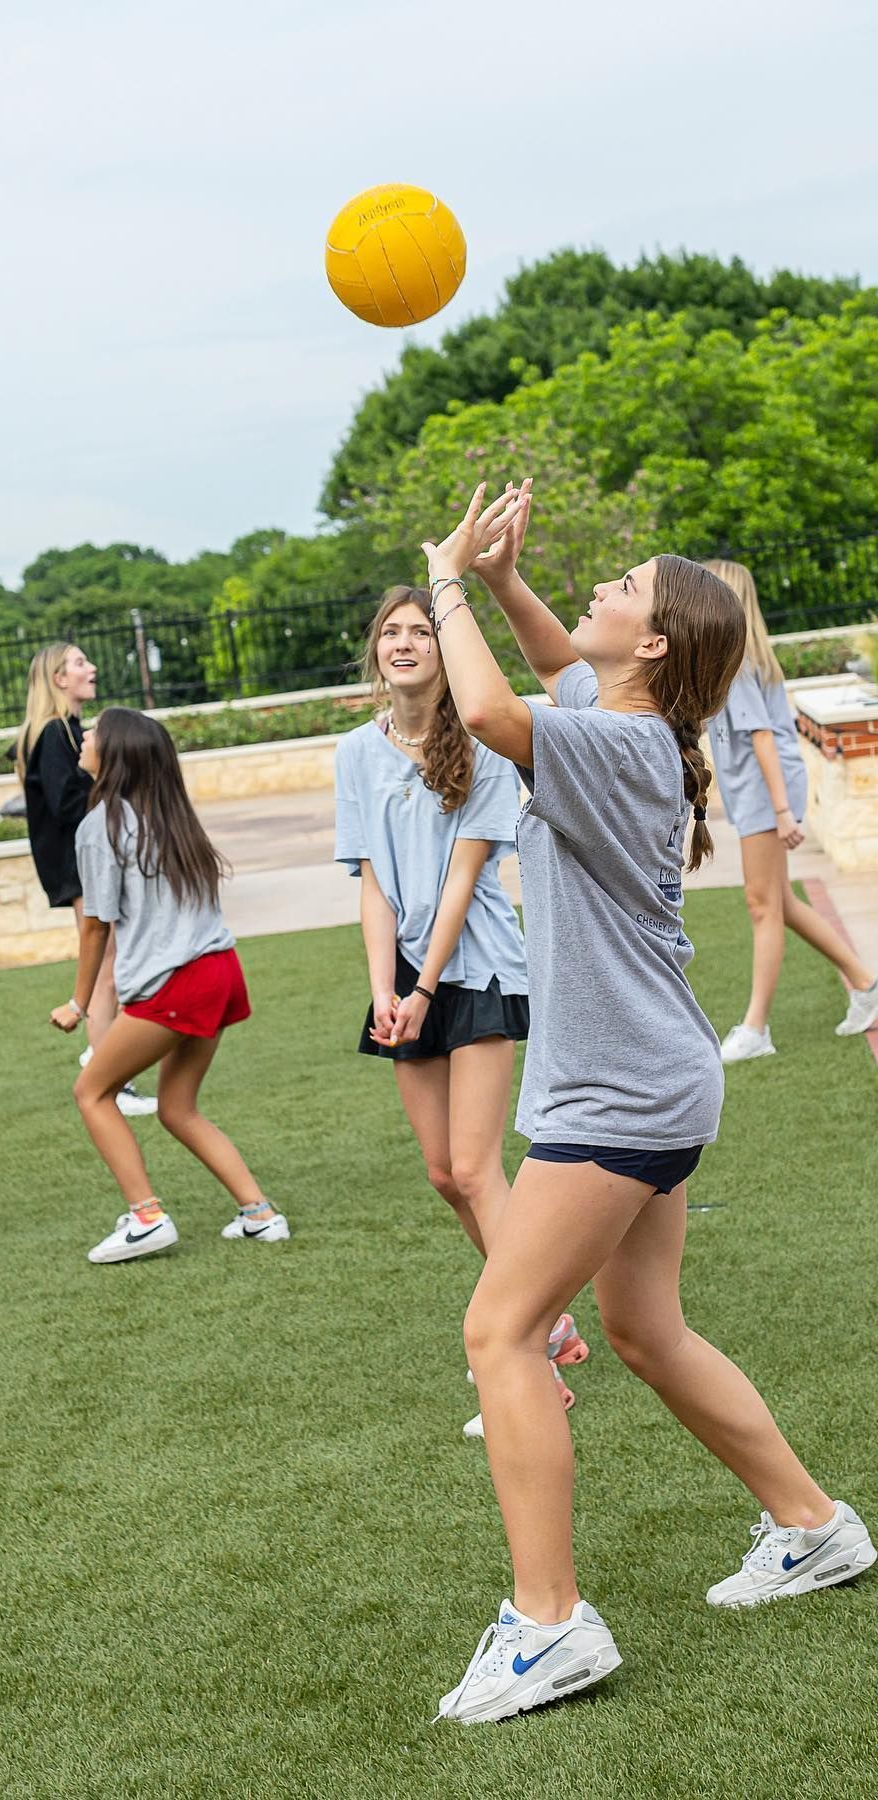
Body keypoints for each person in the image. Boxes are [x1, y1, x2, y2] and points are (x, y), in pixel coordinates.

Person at [418, 480, 871, 1726]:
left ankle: (548, 1627)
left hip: (618, 1094)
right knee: (647, 1334)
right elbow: (558, 667)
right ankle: (814, 1526)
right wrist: (509, 581)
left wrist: (448, 576)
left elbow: (494, 707)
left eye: (624, 588)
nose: (601, 591)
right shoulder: (622, 717)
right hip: (657, 1082)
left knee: (501, 1333)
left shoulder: (612, 743)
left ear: (659, 644)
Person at [334, 587, 585, 1441]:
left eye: (422, 633)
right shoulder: (354, 753)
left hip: (473, 969)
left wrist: (423, 987)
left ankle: (528, 1346)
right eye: (392, 633)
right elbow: (371, 882)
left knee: (477, 1169)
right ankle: (543, 1321)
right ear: (375, 651)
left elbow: (461, 880)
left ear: (444, 652)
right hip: (403, 976)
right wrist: (383, 988)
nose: (405, 644)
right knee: (443, 1174)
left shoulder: (476, 742)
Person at [49, 706, 288, 1262]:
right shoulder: (169, 815)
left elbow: (94, 927)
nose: (84, 737)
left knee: (92, 1091)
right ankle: (259, 1215)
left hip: (178, 982)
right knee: (177, 1107)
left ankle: (146, 1217)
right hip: (221, 970)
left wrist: (77, 1002)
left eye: (94, 733)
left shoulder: (101, 824)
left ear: (117, 755)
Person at [703, 559, 878, 1061]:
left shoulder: (736, 664)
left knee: (762, 905)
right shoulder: (735, 659)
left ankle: (755, 1029)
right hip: (759, 789)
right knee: (780, 900)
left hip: (766, 789)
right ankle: (866, 985)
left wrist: (782, 811)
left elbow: (761, 737)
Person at [19, 643, 156, 1119]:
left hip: (81, 861)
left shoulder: (69, 730)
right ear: (58, 678)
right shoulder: (55, 733)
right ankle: (110, 1077)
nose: (90, 668)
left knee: (109, 961)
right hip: (76, 864)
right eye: (79, 663)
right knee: (103, 962)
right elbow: (66, 803)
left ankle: (104, 1061)